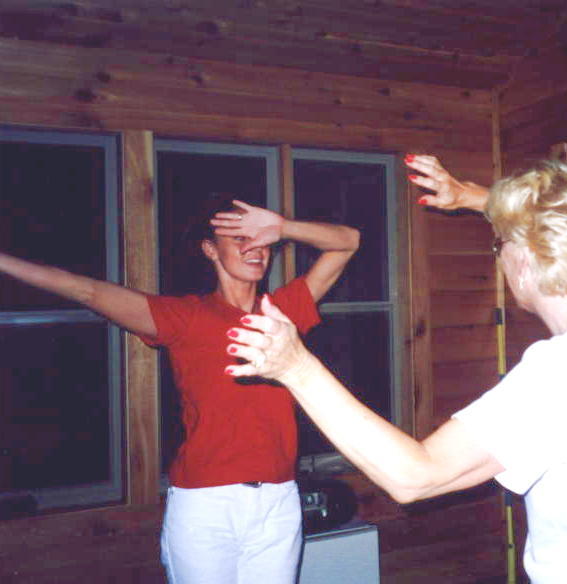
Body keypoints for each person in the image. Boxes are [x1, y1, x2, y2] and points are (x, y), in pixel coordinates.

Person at [225, 155, 567, 584]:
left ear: (524, 263)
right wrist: (466, 196)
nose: (500, 254)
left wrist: (296, 366)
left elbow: (416, 476)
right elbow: (562, 223)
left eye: (500, 245)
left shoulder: (564, 374)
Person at [0, 195, 359, 583]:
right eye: (240, 239)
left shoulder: (282, 312)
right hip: (207, 505)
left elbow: (348, 242)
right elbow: (85, 290)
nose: (256, 249)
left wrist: (283, 227)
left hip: (278, 501)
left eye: (261, 240)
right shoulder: (185, 317)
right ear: (210, 250)